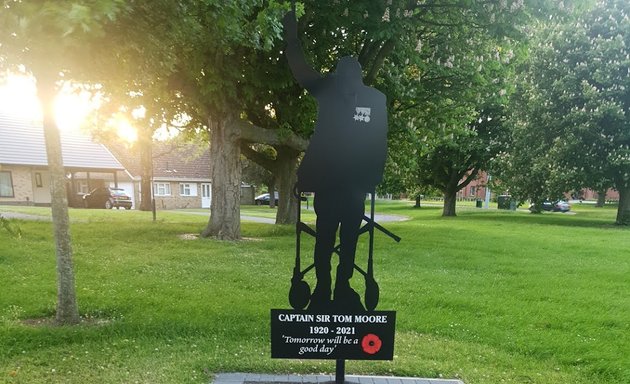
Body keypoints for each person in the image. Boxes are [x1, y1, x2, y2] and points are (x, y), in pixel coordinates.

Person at [283, 10, 388, 311]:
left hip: (353, 184)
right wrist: (292, 40)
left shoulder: (374, 100)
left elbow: (379, 142)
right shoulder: (328, 90)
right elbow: (302, 70)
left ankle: (341, 288)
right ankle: (324, 289)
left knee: (345, 239)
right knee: (326, 238)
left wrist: (373, 178)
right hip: (329, 183)